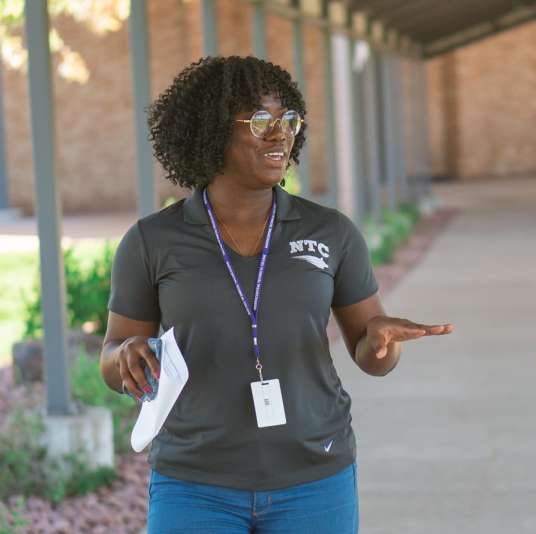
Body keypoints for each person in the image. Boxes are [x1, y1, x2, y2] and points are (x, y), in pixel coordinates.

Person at [100, 55, 453, 534]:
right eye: (260, 120)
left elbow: (370, 355)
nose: (280, 133)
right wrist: (125, 357)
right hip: (195, 481)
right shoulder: (152, 241)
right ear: (210, 131)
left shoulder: (330, 232)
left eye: (289, 120)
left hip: (313, 475)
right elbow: (111, 355)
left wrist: (381, 343)